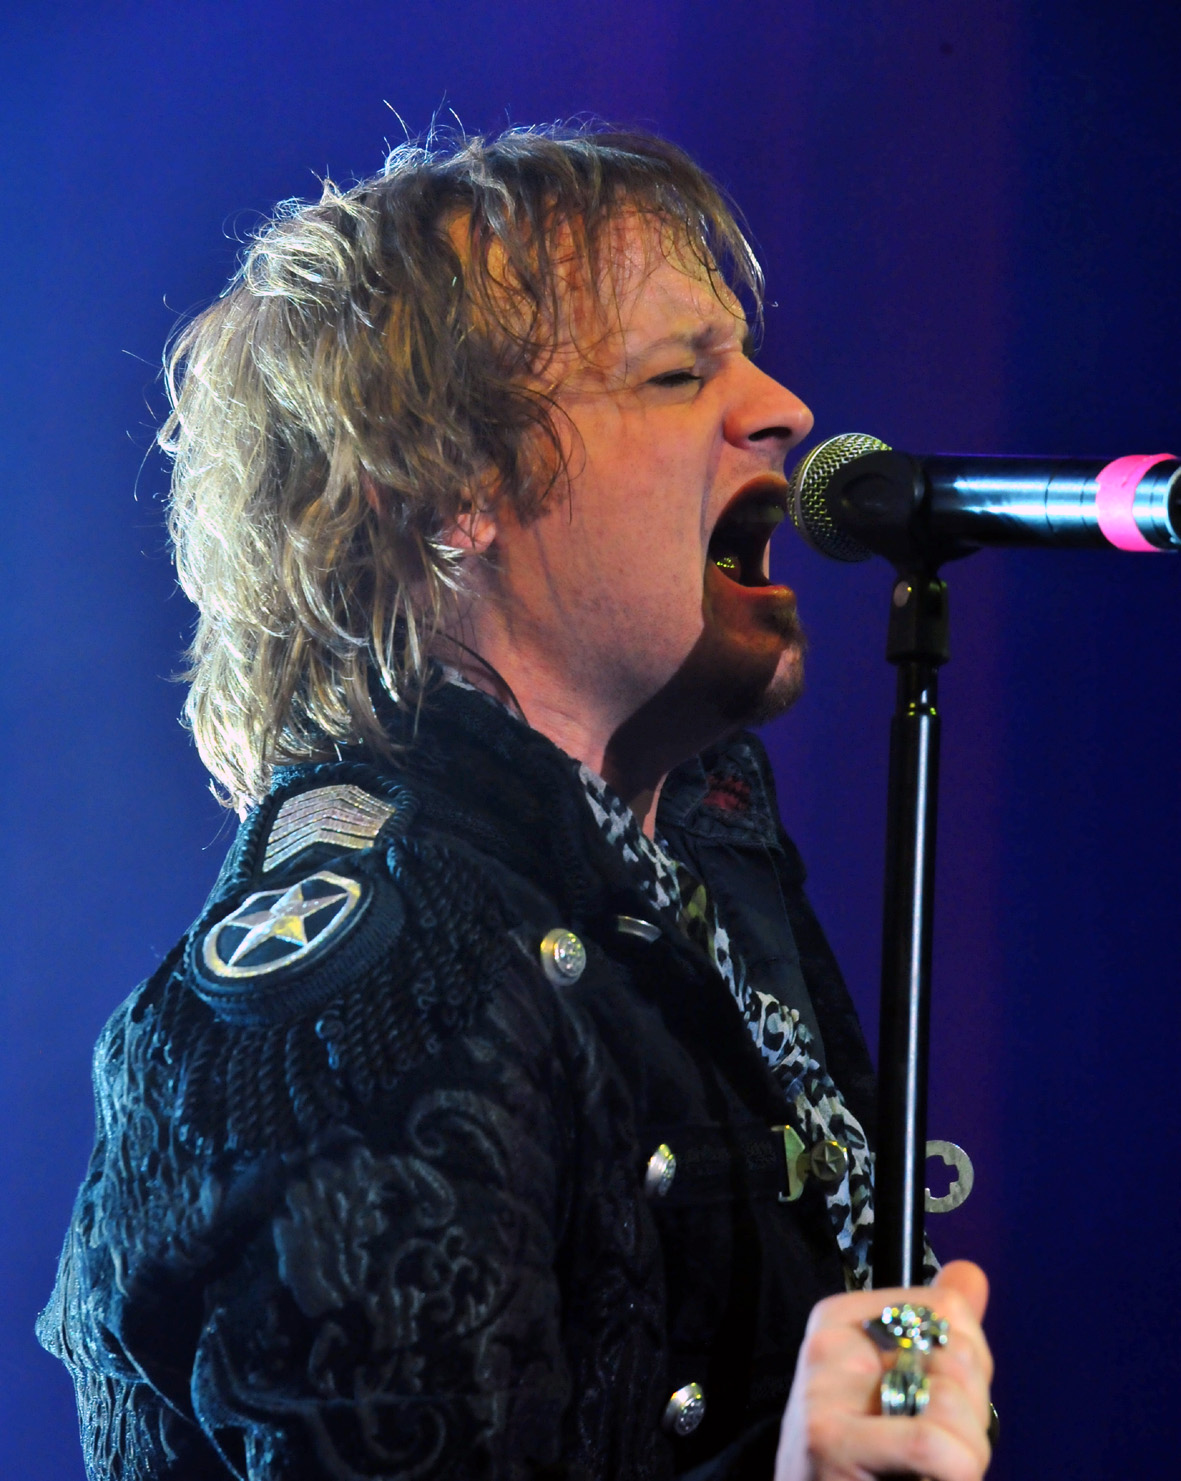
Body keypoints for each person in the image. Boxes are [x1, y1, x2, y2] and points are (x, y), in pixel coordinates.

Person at [39, 127, 993, 1480]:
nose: (785, 409)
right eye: (677, 374)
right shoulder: (373, 992)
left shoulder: (698, 872)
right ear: (448, 493)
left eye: (744, 358)